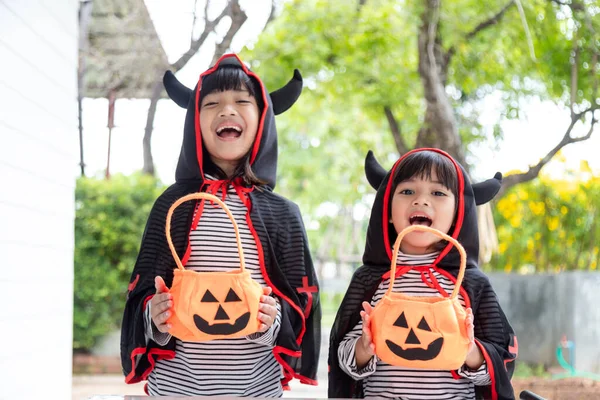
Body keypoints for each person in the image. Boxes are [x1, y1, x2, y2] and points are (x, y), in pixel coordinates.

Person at [120, 54, 321, 397]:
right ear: (195, 122)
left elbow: (300, 301)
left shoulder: (283, 213)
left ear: (263, 120)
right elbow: (142, 292)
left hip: (256, 390)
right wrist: (155, 317)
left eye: (242, 102)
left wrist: (272, 320)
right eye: (212, 103)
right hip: (174, 389)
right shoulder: (173, 206)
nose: (227, 111)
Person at [328, 148, 517, 399]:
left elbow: (498, 366)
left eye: (438, 192)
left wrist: (470, 351)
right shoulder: (370, 280)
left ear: (457, 214)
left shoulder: (471, 284)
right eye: (407, 191)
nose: (421, 200)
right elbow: (345, 362)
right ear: (388, 210)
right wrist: (364, 347)